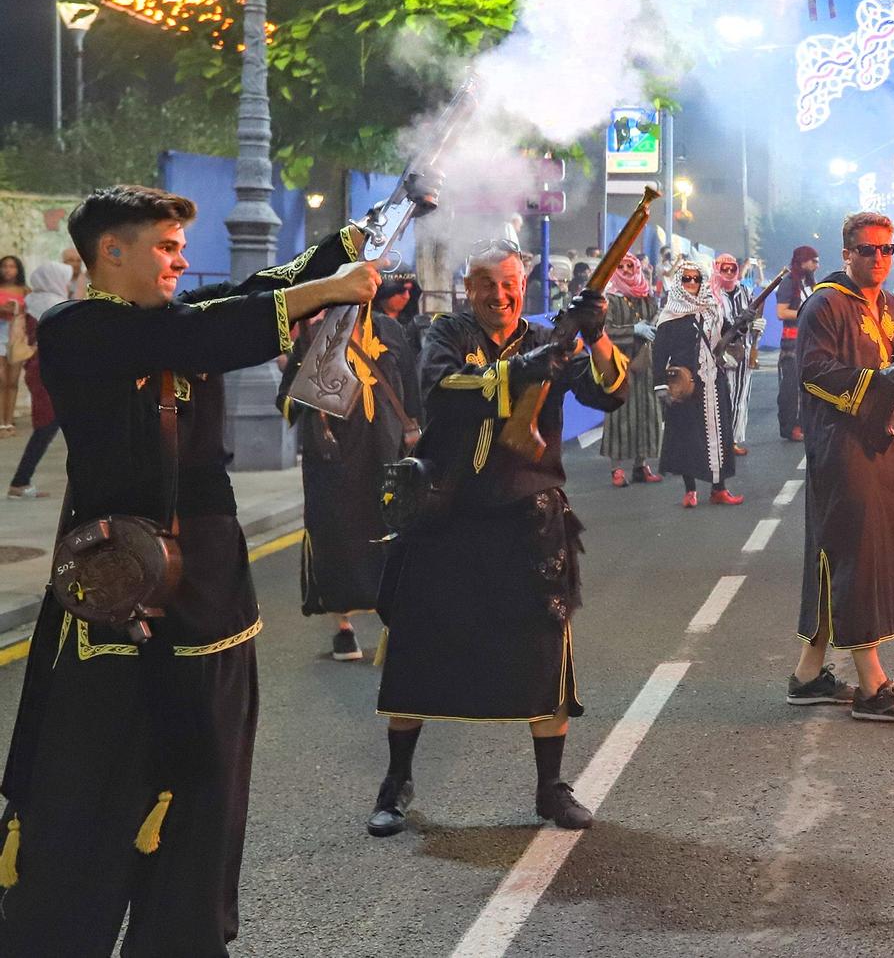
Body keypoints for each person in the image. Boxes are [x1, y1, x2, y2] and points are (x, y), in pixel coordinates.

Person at [0, 186, 377, 956]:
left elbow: (247, 296)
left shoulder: (165, 325)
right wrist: (329, 290)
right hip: (115, 601)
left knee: (207, 810)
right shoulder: (77, 329)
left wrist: (346, 243)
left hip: (210, 602)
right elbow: (210, 330)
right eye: (166, 247)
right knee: (87, 806)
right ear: (111, 250)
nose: (181, 260)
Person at [369, 241, 626, 837]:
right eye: (487, 283)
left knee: (545, 652)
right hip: (446, 514)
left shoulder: (552, 335)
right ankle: (396, 780)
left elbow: (607, 392)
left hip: (528, 515)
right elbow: (442, 390)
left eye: (509, 283)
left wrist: (597, 335)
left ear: (524, 282)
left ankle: (550, 788)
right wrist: (518, 370)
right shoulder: (445, 332)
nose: (500, 295)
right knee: (416, 652)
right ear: (468, 287)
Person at [787, 212, 894, 722]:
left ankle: (808, 676)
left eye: (887, 249)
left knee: (843, 553)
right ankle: (873, 685)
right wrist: (879, 379)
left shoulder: (892, 304)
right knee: (855, 554)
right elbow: (813, 373)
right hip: (840, 447)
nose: (878, 259)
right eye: (868, 250)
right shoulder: (824, 305)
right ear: (846, 253)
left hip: (880, 443)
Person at [280, 287, 423, 664]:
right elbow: (288, 407)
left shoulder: (390, 332)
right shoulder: (316, 336)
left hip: (387, 455)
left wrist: (417, 440)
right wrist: (301, 371)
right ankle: (343, 629)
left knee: (391, 540)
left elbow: (412, 392)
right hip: (334, 464)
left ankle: (394, 624)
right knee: (336, 542)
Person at [653, 260, 741, 507]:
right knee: (686, 437)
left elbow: (726, 337)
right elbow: (659, 352)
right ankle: (690, 490)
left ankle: (719, 489)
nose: (692, 283)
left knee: (719, 435)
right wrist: (660, 384)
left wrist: (743, 324)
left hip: (714, 382)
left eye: (696, 279)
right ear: (679, 283)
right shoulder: (670, 314)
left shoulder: (713, 309)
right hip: (686, 385)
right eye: (686, 279)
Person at [599, 253, 664, 487]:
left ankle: (641, 464)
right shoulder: (610, 298)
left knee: (647, 412)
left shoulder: (646, 295)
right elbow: (604, 332)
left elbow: (658, 322)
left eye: (630, 265)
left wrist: (654, 327)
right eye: (621, 265)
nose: (626, 270)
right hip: (619, 363)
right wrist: (633, 329)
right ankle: (616, 469)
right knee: (620, 415)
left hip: (645, 363)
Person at [6, 263, 69, 499]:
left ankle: (21, 481)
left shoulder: (31, 303)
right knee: (47, 425)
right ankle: (20, 481)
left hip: (37, 369)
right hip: (52, 371)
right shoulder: (56, 306)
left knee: (49, 424)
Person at [711, 253, 760, 457]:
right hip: (719, 352)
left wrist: (755, 326)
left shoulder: (744, 291)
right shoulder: (710, 293)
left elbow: (753, 316)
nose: (729, 273)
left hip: (743, 350)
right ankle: (718, 441)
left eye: (732, 269)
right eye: (724, 269)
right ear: (717, 269)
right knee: (721, 398)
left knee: (740, 397)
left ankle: (732, 440)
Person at [776, 245, 818, 442]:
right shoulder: (788, 283)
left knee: (808, 386)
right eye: (813, 260)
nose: (816, 265)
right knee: (791, 388)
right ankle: (790, 425)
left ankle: (804, 423)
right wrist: (806, 313)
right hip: (791, 343)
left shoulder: (808, 283)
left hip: (809, 343)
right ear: (803, 261)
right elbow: (781, 312)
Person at [0, 254, 27, 436]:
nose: (8, 270)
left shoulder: (25, 290)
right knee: (1, 380)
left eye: (12, 266)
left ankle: (9, 422)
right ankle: (1, 423)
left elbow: (30, 313)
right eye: (5, 266)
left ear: (18, 269)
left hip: (17, 336)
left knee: (13, 381)